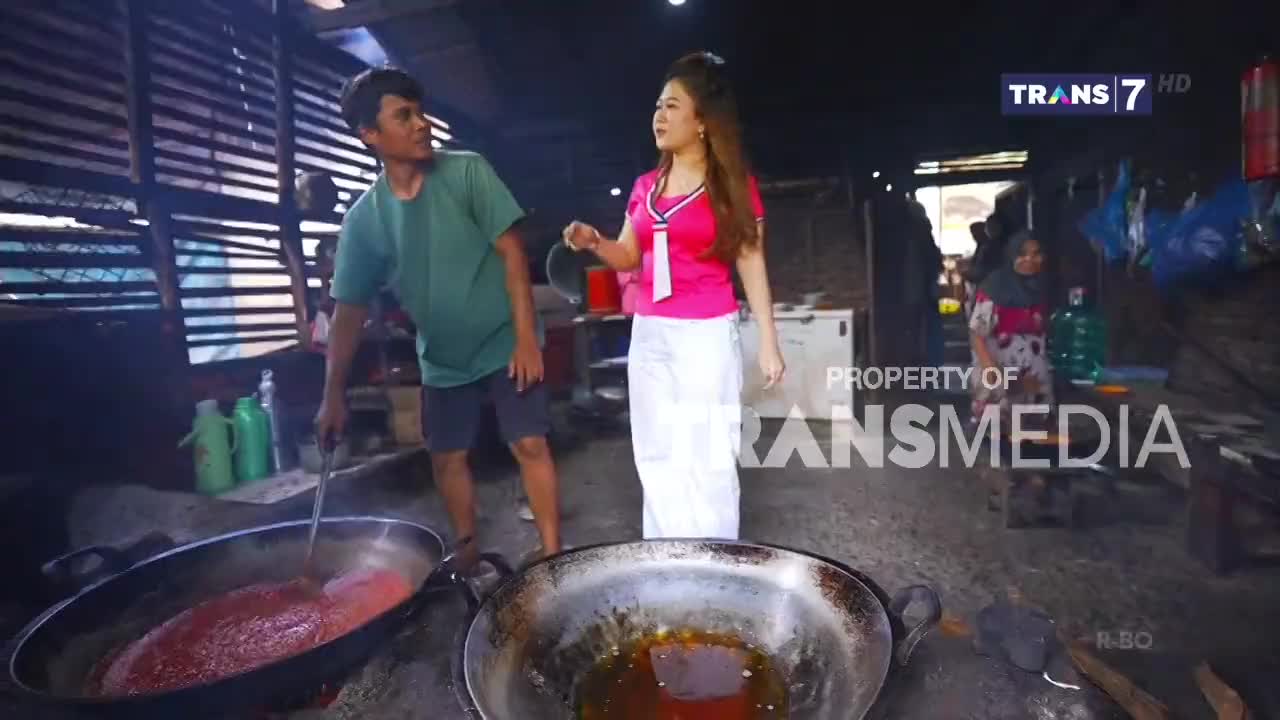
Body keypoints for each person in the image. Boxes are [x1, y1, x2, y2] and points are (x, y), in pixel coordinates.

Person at [315, 67, 561, 568]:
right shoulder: (364, 221)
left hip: (503, 339)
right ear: (370, 135)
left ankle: (555, 554)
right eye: (403, 116)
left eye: (420, 112)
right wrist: (332, 394)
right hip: (444, 359)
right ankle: (468, 553)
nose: (422, 124)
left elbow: (512, 253)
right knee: (446, 457)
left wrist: (526, 340)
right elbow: (348, 312)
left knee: (529, 442)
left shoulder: (467, 171)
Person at [561, 51, 785, 540]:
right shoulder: (646, 186)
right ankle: (665, 564)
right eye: (657, 107)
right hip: (651, 331)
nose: (658, 117)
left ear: (702, 120)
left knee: (706, 455)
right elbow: (629, 256)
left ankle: (714, 561)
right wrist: (594, 241)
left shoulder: (732, 188)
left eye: (671, 106)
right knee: (656, 452)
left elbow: (751, 261)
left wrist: (769, 339)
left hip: (706, 334)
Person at [968, 229, 1053, 428]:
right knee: (1001, 435)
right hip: (999, 369)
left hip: (1034, 376)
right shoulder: (994, 287)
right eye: (1022, 254)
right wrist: (990, 369)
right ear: (1011, 256)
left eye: (1036, 254)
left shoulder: (1041, 286)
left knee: (1036, 437)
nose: (1029, 259)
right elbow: (977, 334)